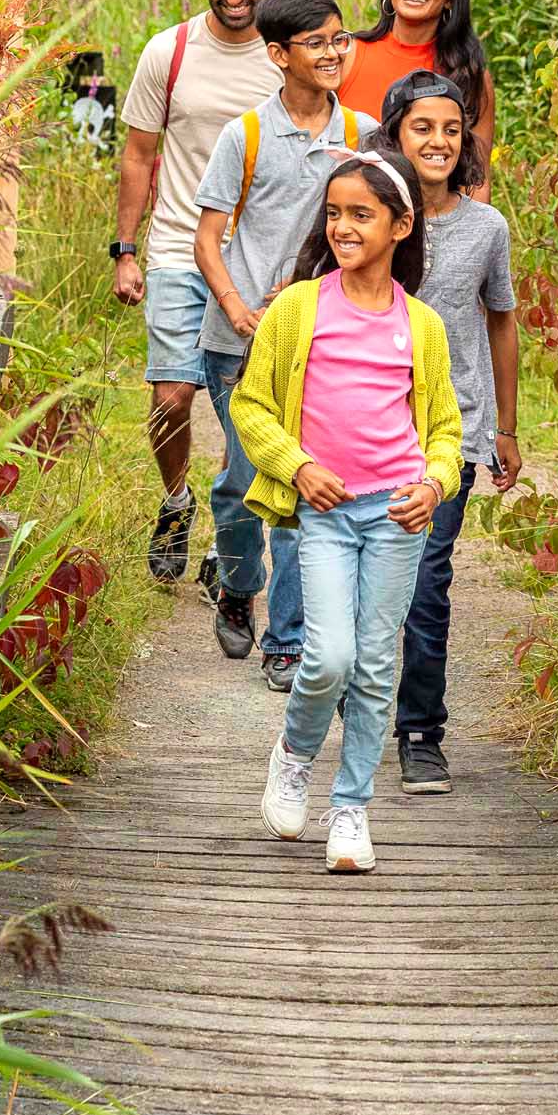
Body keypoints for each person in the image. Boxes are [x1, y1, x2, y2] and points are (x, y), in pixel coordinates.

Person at [230, 150, 464, 871]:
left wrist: (435, 482)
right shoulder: (299, 308)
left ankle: (352, 807)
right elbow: (250, 404)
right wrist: (297, 465)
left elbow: (445, 430)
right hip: (326, 515)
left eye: (361, 214)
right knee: (328, 654)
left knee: (372, 664)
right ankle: (296, 754)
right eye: (334, 212)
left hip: (395, 517)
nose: (342, 225)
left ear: (401, 224)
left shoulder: (421, 325)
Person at [192, 0, 377, 689]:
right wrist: (239, 308)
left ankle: (288, 639)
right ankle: (239, 580)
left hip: (319, 343)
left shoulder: (359, 134)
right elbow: (207, 238)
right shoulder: (247, 135)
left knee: (296, 488)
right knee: (245, 484)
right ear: (277, 54)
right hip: (237, 344)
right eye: (316, 43)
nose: (333, 53)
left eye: (340, 39)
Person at [111, 0, 283, 593]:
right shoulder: (170, 52)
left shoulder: (286, 54)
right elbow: (138, 154)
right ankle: (176, 499)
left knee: (246, 409)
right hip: (180, 250)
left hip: (257, 262)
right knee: (173, 396)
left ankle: (229, 529)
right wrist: (125, 251)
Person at [376, 70, 520, 795]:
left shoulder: (487, 228)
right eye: (422, 127)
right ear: (396, 132)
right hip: (363, 427)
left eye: (451, 129)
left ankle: (421, 729)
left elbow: (500, 319)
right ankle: (356, 701)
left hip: (450, 433)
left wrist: (507, 428)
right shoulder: (365, 211)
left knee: (428, 580)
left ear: (465, 141)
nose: (437, 141)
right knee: (374, 582)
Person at [335, 0, 496, 186]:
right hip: (351, 215)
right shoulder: (347, 53)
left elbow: (478, 177)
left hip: (433, 219)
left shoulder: (467, 74)